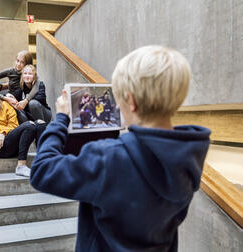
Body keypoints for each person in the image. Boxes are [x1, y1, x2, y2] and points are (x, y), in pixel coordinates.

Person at [30, 45, 211, 251]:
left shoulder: (108, 157)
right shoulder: (187, 156)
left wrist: (61, 118)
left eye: (119, 99)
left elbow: (42, 170)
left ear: (131, 101)